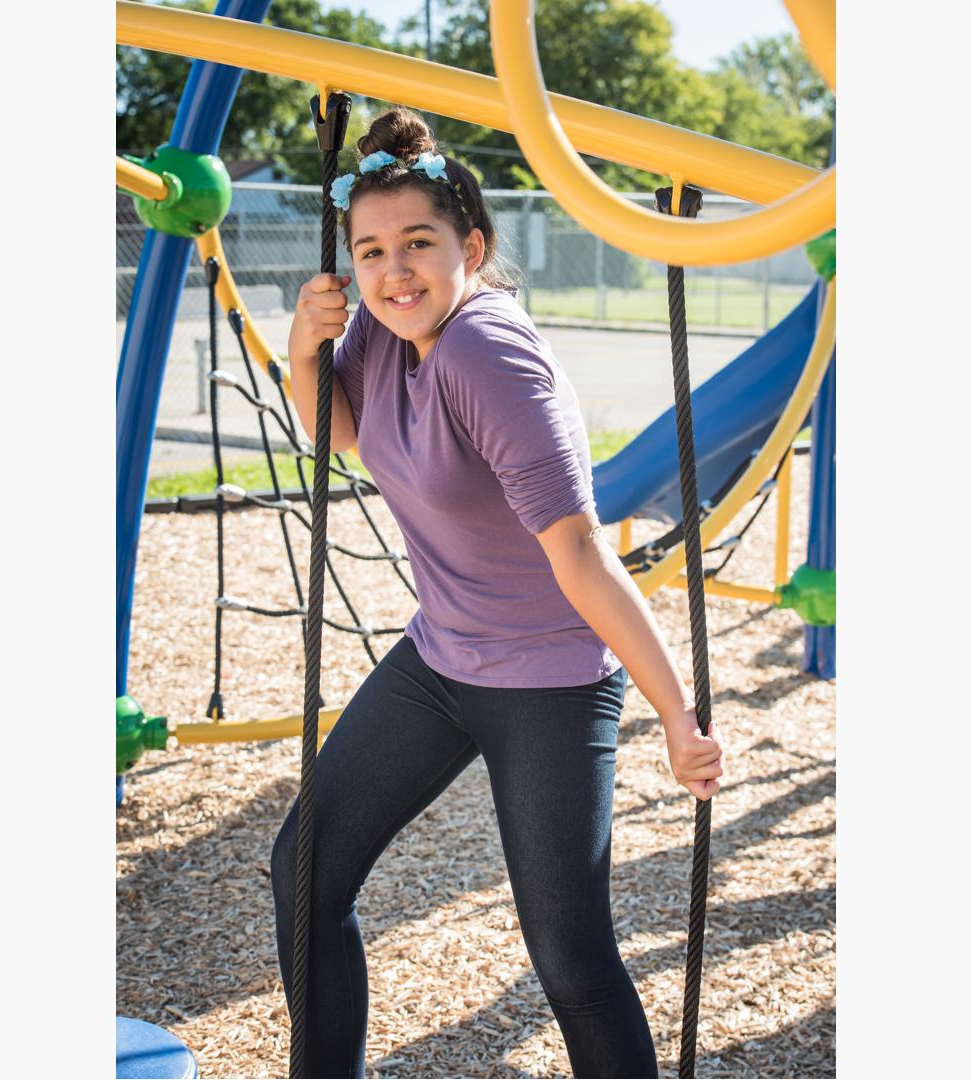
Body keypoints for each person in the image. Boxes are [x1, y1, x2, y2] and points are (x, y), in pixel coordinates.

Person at [272, 107, 725, 1079]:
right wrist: (305, 350)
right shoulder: (387, 332)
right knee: (305, 874)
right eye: (373, 250)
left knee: (570, 961)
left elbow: (581, 557)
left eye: (421, 245)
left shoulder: (491, 356)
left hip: (551, 680)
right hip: (442, 657)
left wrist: (676, 714)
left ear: (471, 246)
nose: (395, 271)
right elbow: (340, 433)